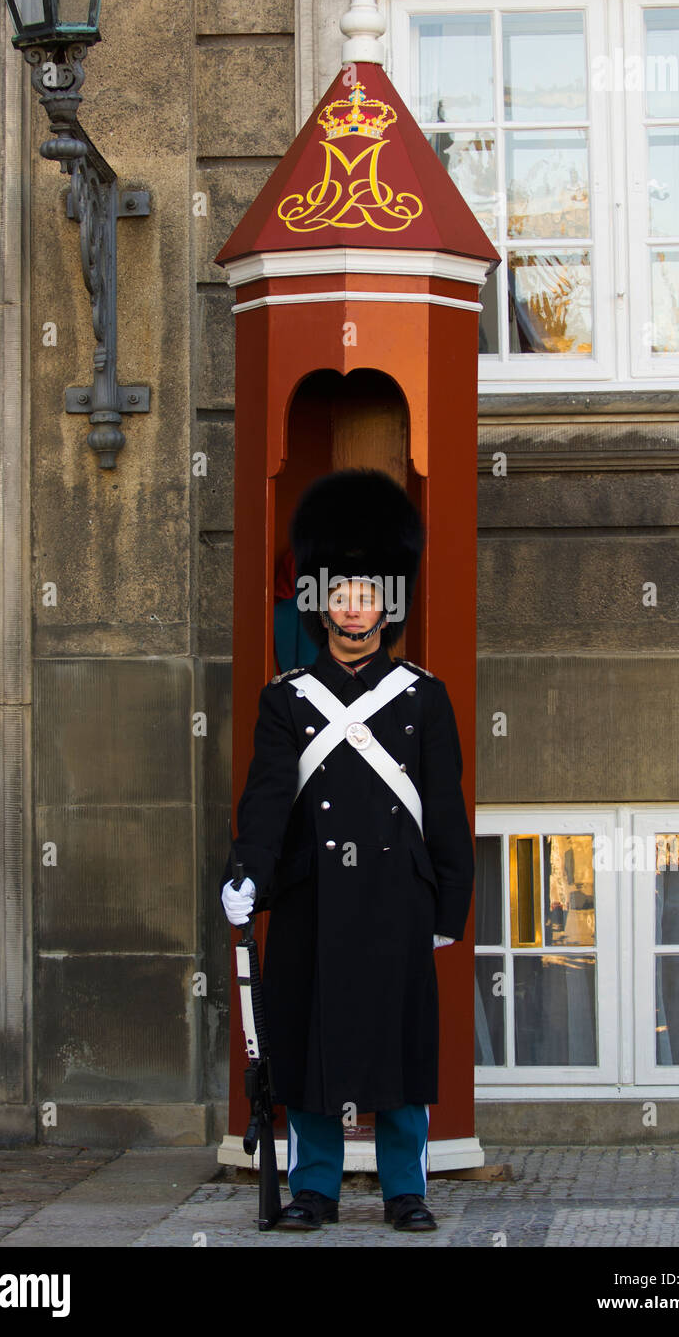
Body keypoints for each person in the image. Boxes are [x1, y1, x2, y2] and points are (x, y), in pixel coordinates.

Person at [220, 468, 475, 1232]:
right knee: (309, 1050)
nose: (353, 606)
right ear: (319, 601)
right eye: (340, 592)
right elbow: (266, 800)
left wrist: (450, 900)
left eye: (367, 593)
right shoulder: (286, 697)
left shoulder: (423, 697)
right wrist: (245, 873)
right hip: (312, 899)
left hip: (397, 897)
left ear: (386, 604)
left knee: (399, 1049)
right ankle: (315, 1189)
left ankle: (405, 1188)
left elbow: (443, 807)